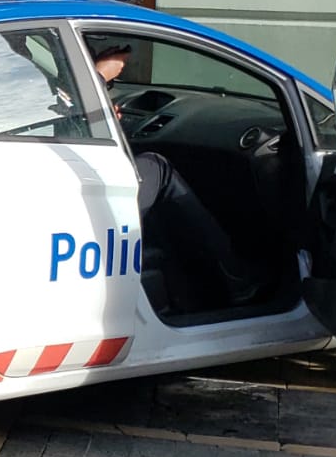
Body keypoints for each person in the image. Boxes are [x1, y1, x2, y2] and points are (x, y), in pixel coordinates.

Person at [91, 46, 264, 310]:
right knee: (157, 168)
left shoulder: (15, 60)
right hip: (77, 198)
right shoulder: (17, 68)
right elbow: (41, 116)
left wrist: (98, 110)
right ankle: (236, 277)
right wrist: (98, 77)